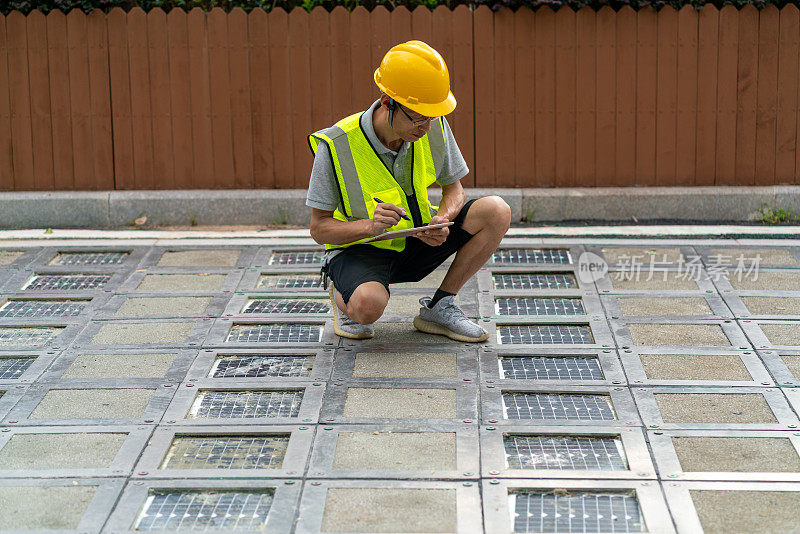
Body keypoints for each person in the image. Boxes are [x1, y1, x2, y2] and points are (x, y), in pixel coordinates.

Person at [306, 40, 511, 342]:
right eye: (417, 117)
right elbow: (319, 228)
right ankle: (343, 292)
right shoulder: (336, 144)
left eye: (431, 116)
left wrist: (441, 218)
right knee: (368, 307)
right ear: (387, 102)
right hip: (361, 249)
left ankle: (440, 307)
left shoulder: (432, 124)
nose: (426, 127)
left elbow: (454, 190)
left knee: (496, 210)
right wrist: (371, 226)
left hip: (417, 238)